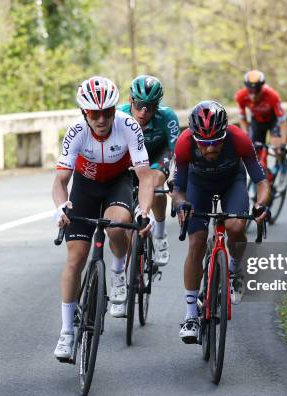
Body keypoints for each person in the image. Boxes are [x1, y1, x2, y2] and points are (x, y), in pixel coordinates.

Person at [52, 76, 154, 359]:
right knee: (75, 258)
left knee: (117, 227)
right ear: (84, 113)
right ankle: (66, 333)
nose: (101, 119)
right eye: (93, 113)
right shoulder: (75, 132)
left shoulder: (129, 126)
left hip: (116, 184)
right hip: (84, 187)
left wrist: (144, 212)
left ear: (114, 110)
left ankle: (119, 271)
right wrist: (61, 208)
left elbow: (144, 178)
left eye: (107, 112)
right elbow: (61, 181)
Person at [172, 100, 270, 344]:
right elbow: (178, 189)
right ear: (195, 138)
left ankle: (235, 270)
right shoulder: (184, 143)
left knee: (235, 226)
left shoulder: (239, 139)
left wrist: (260, 204)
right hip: (199, 185)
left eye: (216, 141)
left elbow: (261, 181)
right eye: (204, 144)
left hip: (231, 183)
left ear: (224, 134)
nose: (210, 149)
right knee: (195, 243)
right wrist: (181, 204)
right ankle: (191, 315)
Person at [118, 75, 179, 266]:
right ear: (130, 101)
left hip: (157, 156)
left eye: (150, 107)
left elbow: (177, 152)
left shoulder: (168, 117)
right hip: (130, 158)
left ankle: (160, 235)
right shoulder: (119, 115)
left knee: (155, 184)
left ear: (157, 106)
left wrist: (176, 180)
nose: (143, 112)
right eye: (139, 105)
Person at [235, 70, 287, 150]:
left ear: (262, 88)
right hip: (257, 120)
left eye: (257, 91)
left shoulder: (272, 95)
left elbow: (283, 121)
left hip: (273, 120)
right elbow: (242, 118)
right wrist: (245, 133)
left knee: (277, 145)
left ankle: (280, 158)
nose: (253, 95)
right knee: (255, 149)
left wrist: (284, 142)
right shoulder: (241, 96)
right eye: (250, 91)